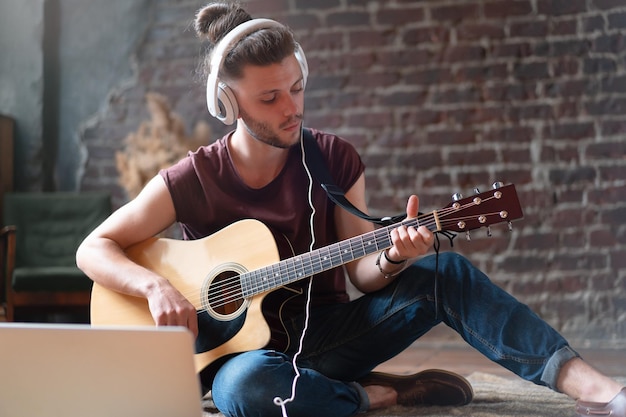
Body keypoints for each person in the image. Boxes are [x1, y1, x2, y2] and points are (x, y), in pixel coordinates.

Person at [76, 2, 626, 417]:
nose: (292, 107)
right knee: (246, 391)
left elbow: (361, 272)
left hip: (332, 336)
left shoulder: (333, 158)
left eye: (296, 87)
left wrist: (393, 258)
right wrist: (156, 288)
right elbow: (93, 248)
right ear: (228, 104)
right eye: (270, 98)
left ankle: (596, 391)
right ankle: (378, 394)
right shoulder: (192, 178)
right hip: (241, 361)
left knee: (445, 272)